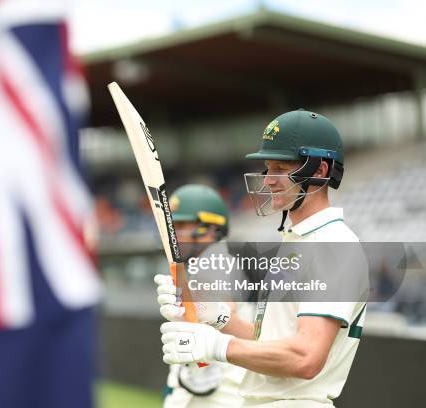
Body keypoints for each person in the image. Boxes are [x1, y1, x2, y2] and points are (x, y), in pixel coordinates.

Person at [159, 110, 367, 407]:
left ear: (320, 170)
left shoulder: (333, 245)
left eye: (280, 167)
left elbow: (306, 357)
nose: (268, 180)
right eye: (267, 168)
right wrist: (213, 314)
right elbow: (267, 341)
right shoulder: (296, 243)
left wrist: (217, 346)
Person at [154, 184, 247, 408]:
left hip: (218, 397)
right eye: (172, 225)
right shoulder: (199, 264)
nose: (173, 233)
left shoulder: (219, 262)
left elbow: (223, 306)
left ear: (211, 227)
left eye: (182, 225)